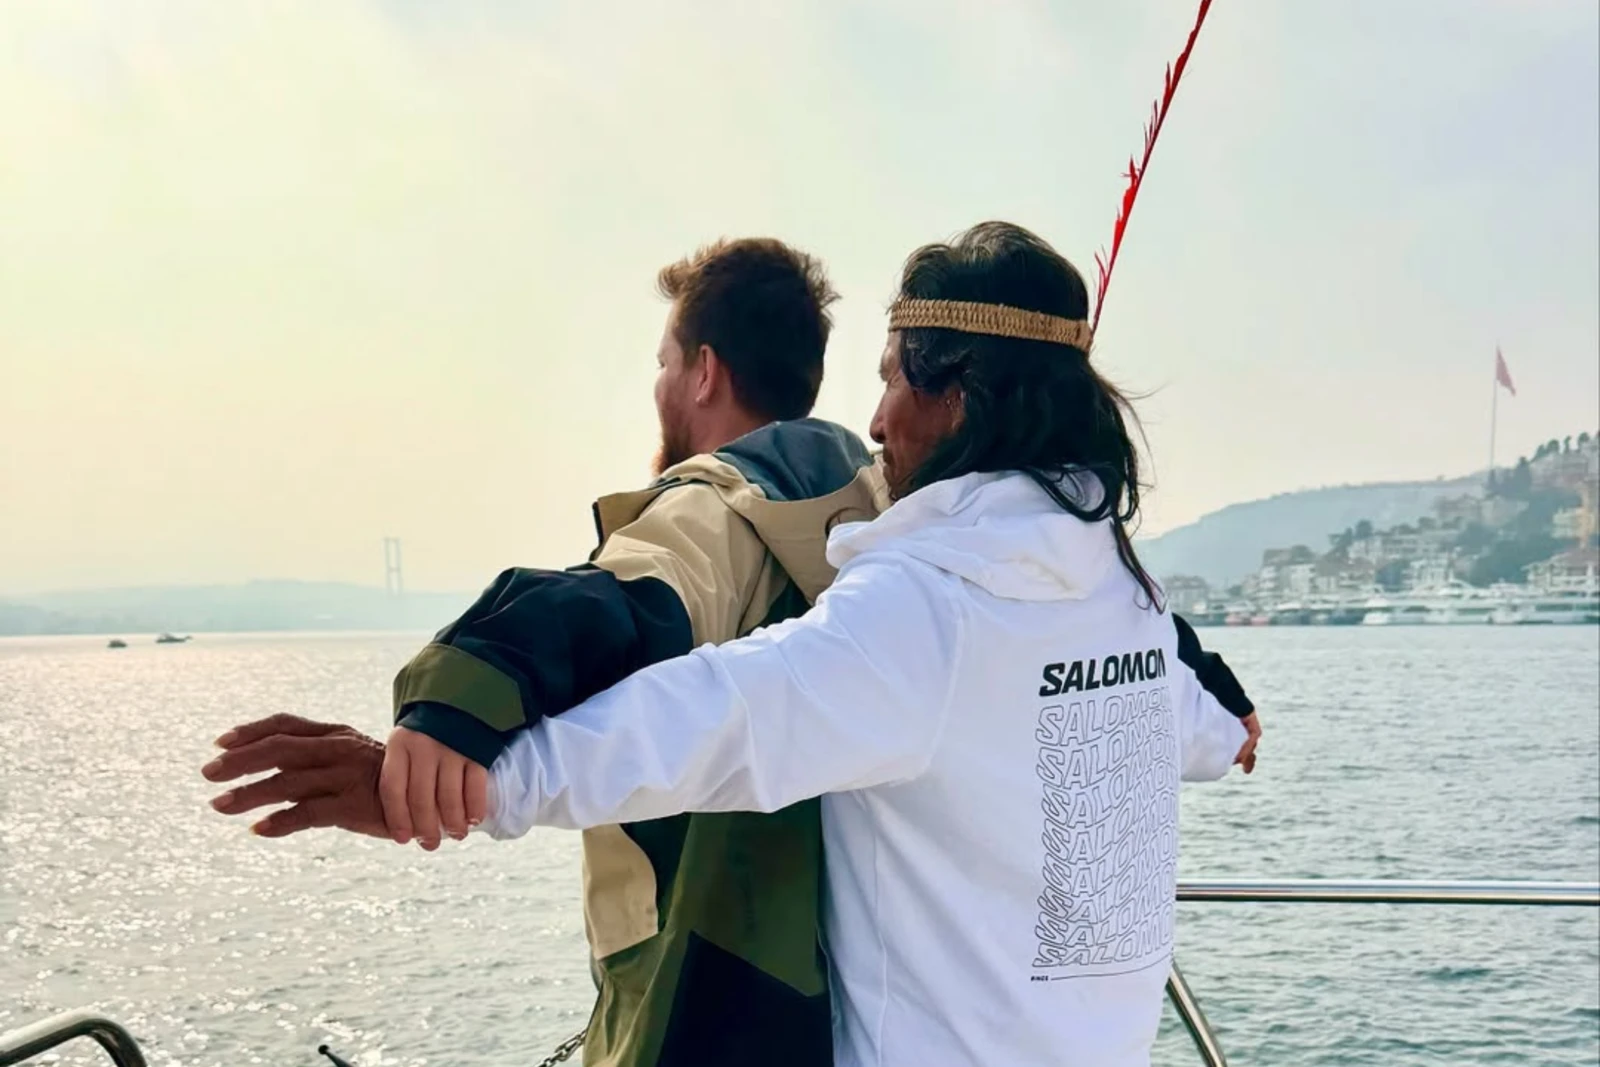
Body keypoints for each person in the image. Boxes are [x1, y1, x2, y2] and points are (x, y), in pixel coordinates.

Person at [204, 227, 1262, 1067]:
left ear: (959, 394)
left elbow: (715, 716)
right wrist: (1229, 721)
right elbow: (1196, 726)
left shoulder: (925, 610)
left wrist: (450, 778)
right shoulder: (1117, 597)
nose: (878, 418)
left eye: (895, 377)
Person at [208, 236, 886, 1067]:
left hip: (704, 1003)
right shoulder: (880, 521)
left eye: (665, 361)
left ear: (704, 372)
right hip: (844, 1010)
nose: (661, 385)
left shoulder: (721, 509)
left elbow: (632, 600)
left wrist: (452, 704)